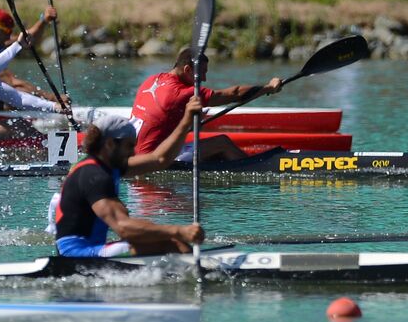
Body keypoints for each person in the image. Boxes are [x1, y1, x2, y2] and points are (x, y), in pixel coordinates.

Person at [50, 104, 206, 258]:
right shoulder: (94, 175)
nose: (133, 152)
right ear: (110, 144)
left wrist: (186, 122)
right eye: (129, 146)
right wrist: (180, 231)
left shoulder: (107, 167)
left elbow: (159, 159)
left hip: (91, 248)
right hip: (76, 254)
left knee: (157, 234)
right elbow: (123, 227)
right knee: (172, 243)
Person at [129, 46, 284, 162]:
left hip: (134, 156)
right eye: (201, 73)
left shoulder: (151, 79)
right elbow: (234, 94)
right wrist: (268, 88)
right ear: (187, 69)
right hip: (154, 159)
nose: (203, 78)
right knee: (222, 143)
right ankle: (253, 168)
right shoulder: (184, 93)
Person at [0, 6, 62, 103]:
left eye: (10, 32)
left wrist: (43, 20)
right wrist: (52, 98)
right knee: (13, 97)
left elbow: (28, 38)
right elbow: (13, 84)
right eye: (7, 31)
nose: (9, 36)